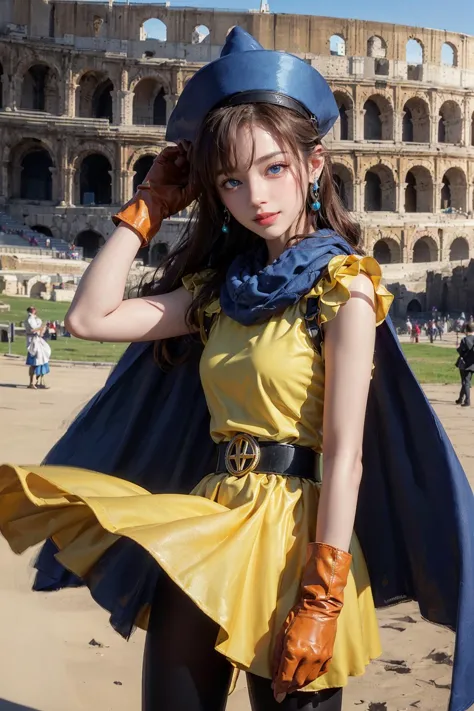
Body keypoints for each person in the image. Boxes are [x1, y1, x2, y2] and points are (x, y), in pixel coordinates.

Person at [1, 28, 474, 711]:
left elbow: (344, 457)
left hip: (298, 540)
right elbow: (90, 319)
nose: (255, 195)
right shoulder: (221, 289)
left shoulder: (344, 286)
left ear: (313, 166)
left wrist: (323, 592)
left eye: (272, 168)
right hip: (211, 521)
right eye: (230, 178)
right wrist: (148, 208)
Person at [24, 306, 50, 389]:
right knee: (34, 363)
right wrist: (41, 327)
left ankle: (38, 381)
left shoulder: (36, 319)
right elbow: (33, 330)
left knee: (42, 361)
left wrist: (42, 329)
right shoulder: (29, 319)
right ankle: (31, 383)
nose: (34, 309)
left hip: (38, 341)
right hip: (33, 343)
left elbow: (40, 332)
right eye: (32, 308)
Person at [455, 323, 474, 407]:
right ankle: (460, 398)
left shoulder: (464, 340)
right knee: (466, 381)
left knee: (465, 382)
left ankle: (467, 401)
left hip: (465, 364)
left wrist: (457, 347)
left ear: (466, 330)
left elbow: (461, 352)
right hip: (472, 364)